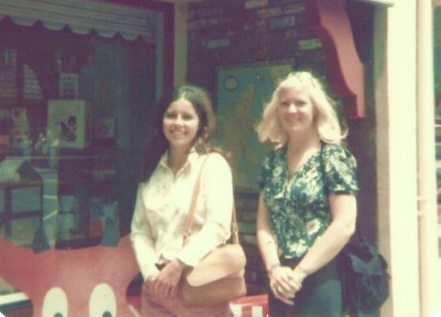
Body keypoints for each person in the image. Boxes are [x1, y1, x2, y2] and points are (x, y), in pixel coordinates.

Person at [255, 71, 359, 317]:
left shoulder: (332, 158)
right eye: (285, 104)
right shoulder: (273, 162)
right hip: (280, 280)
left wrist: (300, 273)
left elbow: (345, 223)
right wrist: (274, 268)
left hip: (320, 276)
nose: (292, 110)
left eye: (300, 103)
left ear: (316, 109)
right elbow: (263, 224)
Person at [130, 84, 234, 317]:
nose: (178, 123)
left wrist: (178, 265)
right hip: (157, 289)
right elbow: (140, 229)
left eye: (187, 117)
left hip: (199, 287)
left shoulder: (212, 165)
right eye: (171, 115)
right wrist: (151, 274)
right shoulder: (152, 168)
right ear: (162, 120)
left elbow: (218, 227)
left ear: (201, 124)